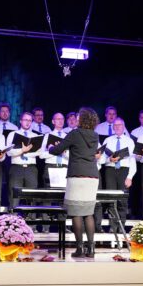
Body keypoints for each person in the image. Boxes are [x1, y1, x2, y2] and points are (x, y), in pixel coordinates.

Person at [49, 107, 100, 258]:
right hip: (92, 176)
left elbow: (57, 150)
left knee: (76, 213)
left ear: (82, 119)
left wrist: (51, 147)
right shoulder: (95, 135)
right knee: (88, 212)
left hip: (77, 175)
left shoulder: (74, 133)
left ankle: (80, 249)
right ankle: (91, 249)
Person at [100, 117, 136, 232]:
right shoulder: (107, 140)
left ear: (124, 126)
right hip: (110, 170)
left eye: (120, 125)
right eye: (115, 125)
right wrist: (109, 159)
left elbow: (132, 160)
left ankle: (121, 226)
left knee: (122, 199)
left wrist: (130, 177)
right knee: (111, 198)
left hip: (124, 170)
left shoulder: (129, 141)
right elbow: (102, 159)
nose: (117, 127)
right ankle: (112, 226)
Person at [39, 112, 69, 233]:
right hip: (51, 166)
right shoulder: (47, 136)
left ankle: (63, 225)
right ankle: (46, 226)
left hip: (64, 167)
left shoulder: (68, 136)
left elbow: (72, 156)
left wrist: (62, 152)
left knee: (64, 197)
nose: (60, 121)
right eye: (57, 119)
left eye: (62, 119)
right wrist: (53, 151)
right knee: (48, 196)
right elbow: (41, 155)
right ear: (53, 121)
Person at [6, 112, 42, 211]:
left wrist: (27, 152)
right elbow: (9, 153)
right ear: (20, 121)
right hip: (17, 168)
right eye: (25, 120)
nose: (27, 122)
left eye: (30, 120)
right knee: (14, 196)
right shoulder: (12, 134)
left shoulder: (35, 135)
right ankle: (12, 222)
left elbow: (39, 152)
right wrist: (22, 150)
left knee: (32, 196)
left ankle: (32, 224)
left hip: (31, 168)